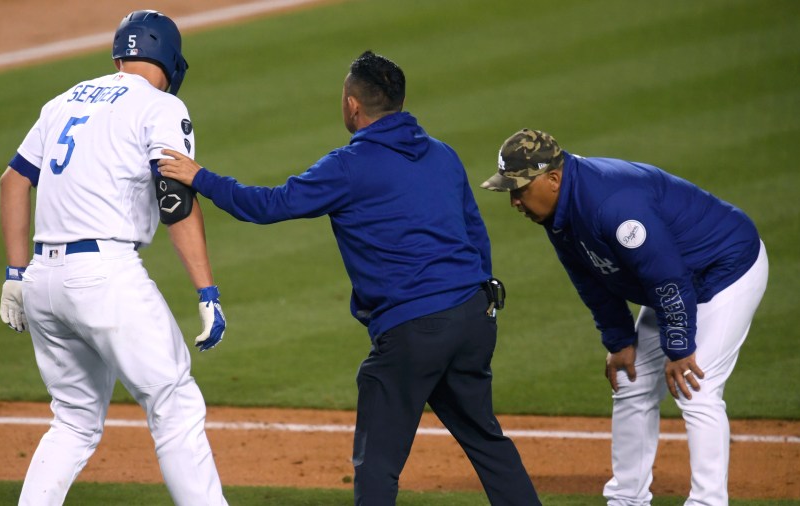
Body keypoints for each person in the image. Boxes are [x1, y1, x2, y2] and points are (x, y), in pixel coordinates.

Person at [157, 50, 540, 506]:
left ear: (353, 105)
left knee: (377, 462)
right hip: (473, 318)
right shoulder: (443, 154)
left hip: (414, 330)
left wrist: (199, 176)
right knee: (487, 442)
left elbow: (267, 206)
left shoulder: (349, 165)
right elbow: (476, 238)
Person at [0, 10, 228, 506]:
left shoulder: (63, 99)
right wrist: (206, 292)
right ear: (168, 58)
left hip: (42, 281)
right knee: (174, 401)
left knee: (75, 420)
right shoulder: (159, 105)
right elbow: (175, 197)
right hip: (103, 277)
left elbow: (13, 180)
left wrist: (15, 275)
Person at [480, 128, 768, 505]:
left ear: (552, 178)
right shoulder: (559, 210)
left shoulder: (611, 205)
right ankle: (627, 499)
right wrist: (619, 341)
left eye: (519, 189)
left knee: (696, 386)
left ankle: (708, 501)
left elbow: (666, 277)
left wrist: (679, 347)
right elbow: (591, 279)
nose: (515, 200)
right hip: (675, 280)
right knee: (630, 381)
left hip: (725, 268)